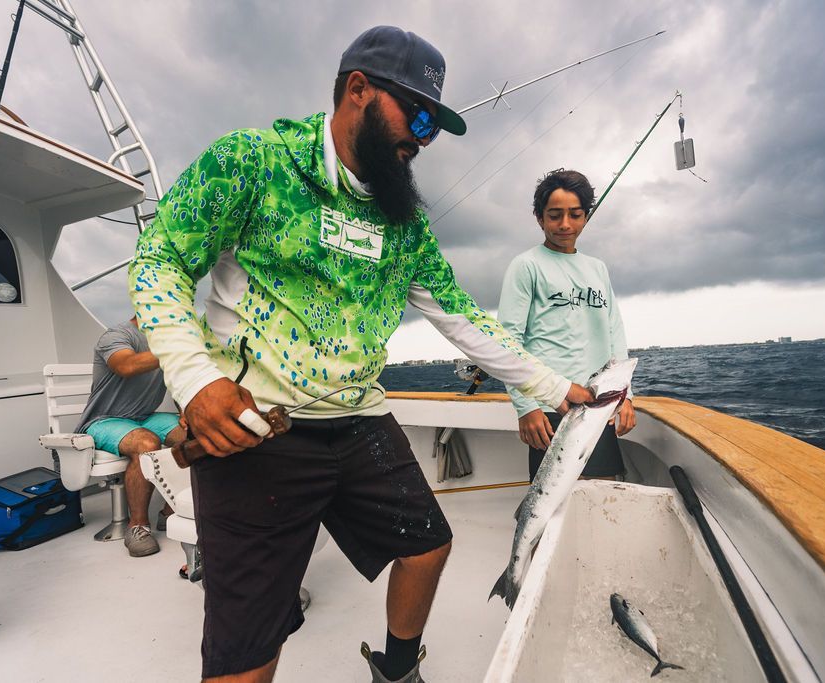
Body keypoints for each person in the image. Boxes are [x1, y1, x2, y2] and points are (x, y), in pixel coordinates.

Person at [128, 26, 593, 683]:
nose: (424, 138)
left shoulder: (406, 222)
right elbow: (160, 258)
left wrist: (556, 387)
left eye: (435, 126)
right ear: (358, 91)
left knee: (429, 546)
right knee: (249, 654)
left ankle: (396, 669)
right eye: (419, 115)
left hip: (361, 423)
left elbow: (460, 314)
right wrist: (195, 380)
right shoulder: (252, 162)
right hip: (260, 431)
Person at [498, 169, 637, 482]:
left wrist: (625, 396)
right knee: (550, 508)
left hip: (598, 405)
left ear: (585, 216)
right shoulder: (526, 266)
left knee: (602, 497)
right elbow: (508, 341)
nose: (564, 225)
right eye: (554, 215)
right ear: (539, 217)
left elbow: (615, 333)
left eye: (575, 215)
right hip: (550, 406)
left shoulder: (597, 268)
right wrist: (525, 406)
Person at [76, 317, 185, 557]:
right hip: (103, 420)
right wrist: (176, 350)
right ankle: (137, 527)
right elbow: (126, 365)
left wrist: (186, 414)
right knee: (146, 442)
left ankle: (170, 512)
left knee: (197, 433)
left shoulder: (167, 340)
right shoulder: (117, 336)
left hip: (144, 416)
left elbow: (179, 385)